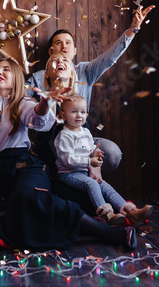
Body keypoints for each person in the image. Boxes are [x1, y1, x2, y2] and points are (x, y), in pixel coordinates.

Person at [0, 57, 137, 251]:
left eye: (6, 69)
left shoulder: (23, 102)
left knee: (29, 198)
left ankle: (109, 233)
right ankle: (81, 227)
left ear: (15, 78)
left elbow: (37, 118)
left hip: (24, 168)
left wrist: (45, 101)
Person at [26, 4, 155, 174]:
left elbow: (110, 58)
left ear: (74, 51)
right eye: (59, 43)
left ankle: (91, 178)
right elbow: (21, 104)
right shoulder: (37, 77)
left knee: (113, 153)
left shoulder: (85, 71)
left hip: (80, 138)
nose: (64, 46)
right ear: (51, 51)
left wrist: (133, 28)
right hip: (49, 141)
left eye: (68, 43)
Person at [54, 94, 153, 228]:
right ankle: (107, 214)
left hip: (83, 171)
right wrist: (90, 162)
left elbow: (89, 148)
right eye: (73, 111)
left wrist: (95, 152)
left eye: (82, 112)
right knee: (92, 184)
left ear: (86, 115)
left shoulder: (85, 132)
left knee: (106, 187)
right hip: (68, 173)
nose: (79, 115)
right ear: (63, 115)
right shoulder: (64, 135)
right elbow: (67, 160)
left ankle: (132, 213)